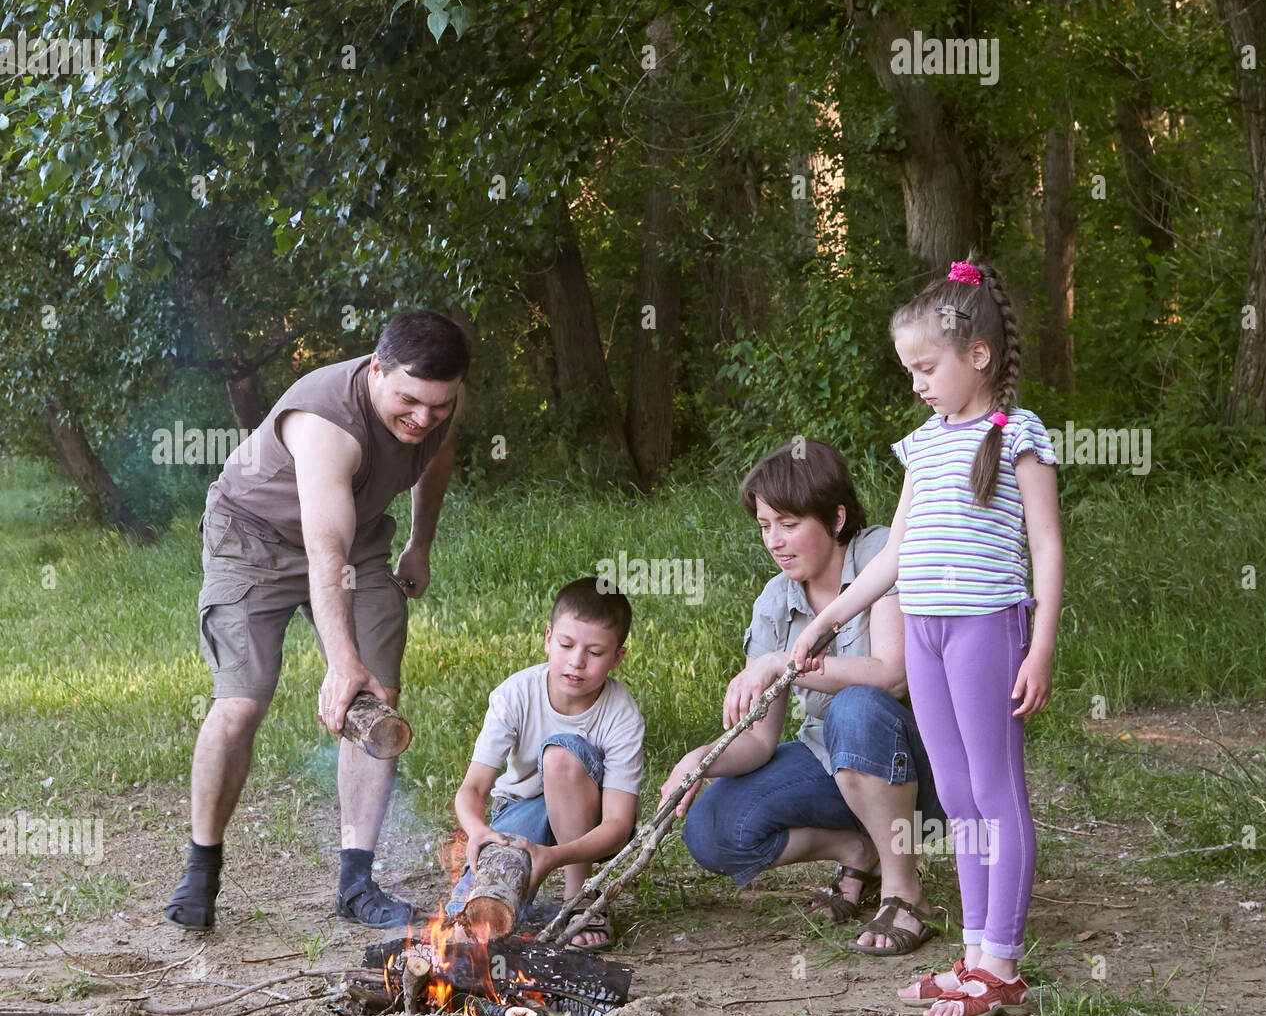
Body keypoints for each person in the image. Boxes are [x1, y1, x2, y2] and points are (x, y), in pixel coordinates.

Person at [793, 257, 1063, 1016]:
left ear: (976, 356)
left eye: (924, 366)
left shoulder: (1018, 437)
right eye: (907, 368)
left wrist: (1037, 646)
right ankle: (974, 952)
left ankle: (1001, 965)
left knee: (993, 791)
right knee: (957, 796)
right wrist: (823, 619)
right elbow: (894, 559)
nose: (915, 381)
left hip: (987, 631)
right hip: (927, 636)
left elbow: (1045, 549)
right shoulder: (923, 444)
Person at [164, 310, 469, 931]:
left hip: (357, 540)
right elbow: (323, 550)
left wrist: (419, 544)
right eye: (408, 402)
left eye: (437, 408)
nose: (422, 419)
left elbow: (436, 462)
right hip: (252, 536)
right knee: (242, 703)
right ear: (376, 368)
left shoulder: (442, 401)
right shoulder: (327, 422)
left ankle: (356, 884)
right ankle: (201, 868)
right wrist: (341, 662)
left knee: (376, 704)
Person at [661, 440, 946, 955]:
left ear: (836, 518)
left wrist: (781, 665)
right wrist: (700, 760)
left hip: (925, 769)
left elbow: (891, 676)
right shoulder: (776, 600)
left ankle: (905, 891)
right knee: (711, 828)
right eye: (765, 526)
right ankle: (858, 849)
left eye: (788, 524)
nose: (774, 540)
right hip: (836, 764)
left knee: (855, 707)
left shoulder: (881, 553)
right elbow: (761, 742)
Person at [448, 577, 644, 949]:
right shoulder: (515, 694)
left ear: (618, 657)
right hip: (522, 809)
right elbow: (472, 788)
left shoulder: (621, 713)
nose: (577, 662)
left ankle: (579, 899)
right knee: (464, 927)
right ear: (548, 638)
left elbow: (619, 825)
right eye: (567, 645)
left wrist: (552, 857)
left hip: (592, 821)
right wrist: (477, 830)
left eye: (596, 652)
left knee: (561, 754)